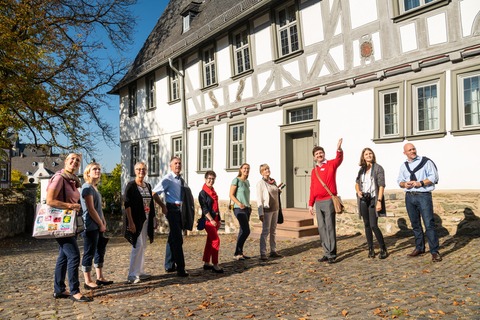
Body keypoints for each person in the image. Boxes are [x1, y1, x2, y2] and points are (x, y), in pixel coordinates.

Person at [46, 153, 91, 302]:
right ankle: (75, 291)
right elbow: (50, 200)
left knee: (63, 256)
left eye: (78, 160)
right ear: (65, 161)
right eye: (72, 159)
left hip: (68, 223)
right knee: (74, 256)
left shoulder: (72, 180)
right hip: (60, 223)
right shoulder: (59, 178)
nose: (75, 161)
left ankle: (59, 289)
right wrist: (71, 205)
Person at [397, 143, 442, 262]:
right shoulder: (403, 166)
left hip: (423, 195)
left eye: (413, 149)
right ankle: (419, 247)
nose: (412, 151)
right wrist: (404, 184)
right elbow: (399, 181)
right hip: (409, 196)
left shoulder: (426, 162)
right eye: (409, 150)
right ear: (405, 153)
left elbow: (434, 177)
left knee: (429, 224)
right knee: (415, 224)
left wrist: (420, 183)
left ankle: (434, 251)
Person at [152, 157, 189, 277]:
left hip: (180, 210)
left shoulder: (181, 180)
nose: (178, 165)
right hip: (172, 209)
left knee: (172, 237)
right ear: (171, 166)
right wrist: (163, 206)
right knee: (178, 239)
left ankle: (169, 265)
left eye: (179, 163)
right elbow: (154, 193)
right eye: (175, 163)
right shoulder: (167, 179)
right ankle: (181, 268)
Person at [308, 138, 343, 264]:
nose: (319, 155)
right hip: (318, 202)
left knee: (330, 227)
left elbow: (339, 159)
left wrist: (339, 149)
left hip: (328, 200)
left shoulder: (331, 164)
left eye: (320, 153)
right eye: (317, 154)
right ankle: (326, 252)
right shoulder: (314, 171)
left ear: (324, 154)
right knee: (321, 228)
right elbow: (312, 188)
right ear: (314, 157)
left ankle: (332, 253)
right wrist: (310, 204)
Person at [80, 162, 113, 290]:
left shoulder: (95, 188)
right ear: (88, 172)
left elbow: (99, 209)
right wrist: (100, 223)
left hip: (99, 225)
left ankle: (100, 277)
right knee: (89, 252)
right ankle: (87, 280)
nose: (98, 171)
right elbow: (91, 209)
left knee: (100, 250)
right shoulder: (86, 187)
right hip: (90, 226)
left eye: (99, 169)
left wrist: (103, 222)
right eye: (95, 169)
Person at [124, 162, 156, 283]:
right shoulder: (131, 186)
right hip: (136, 220)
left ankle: (140, 271)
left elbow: (151, 203)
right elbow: (127, 204)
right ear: (135, 171)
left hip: (146, 219)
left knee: (143, 245)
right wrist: (130, 222)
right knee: (137, 245)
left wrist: (153, 218)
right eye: (138, 169)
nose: (141, 171)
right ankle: (132, 275)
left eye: (143, 169)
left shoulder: (147, 185)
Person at [355, 148, 388, 259]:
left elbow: (381, 185)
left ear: (373, 155)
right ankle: (371, 249)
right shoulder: (362, 170)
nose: (368, 155)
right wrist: (358, 191)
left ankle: (383, 248)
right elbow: (356, 183)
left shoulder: (378, 168)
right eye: (366, 154)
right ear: (363, 157)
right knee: (367, 224)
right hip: (364, 199)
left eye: (370, 153)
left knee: (374, 225)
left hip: (374, 198)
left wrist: (379, 201)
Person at [198, 171, 224, 273]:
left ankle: (206, 262)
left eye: (213, 179)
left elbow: (216, 207)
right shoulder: (202, 193)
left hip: (215, 219)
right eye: (209, 178)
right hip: (208, 221)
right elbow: (204, 209)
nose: (211, 180)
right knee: (216, 240)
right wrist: (211, 220)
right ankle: (215, 264)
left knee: (210, 241)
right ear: (205, 179)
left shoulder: (213, 192)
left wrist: (219, 219)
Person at [256, 164, 282, 261]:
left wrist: (278, 191)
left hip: (275, 208)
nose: (267, 170)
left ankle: (273, 250)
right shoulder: (260, 183)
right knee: (265, 231)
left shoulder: (273, 181)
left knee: (273, 231)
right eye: (265, 169)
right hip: (267, 210)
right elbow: (259, 198)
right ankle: (263, 253)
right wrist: (260, 213)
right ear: (262, 172)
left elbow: (275, 192)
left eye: (268, 169)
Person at [230, 163, 252, 260]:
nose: (246, 170)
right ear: (240, 169)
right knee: (246, 231)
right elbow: (231, 195)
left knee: (242, 231)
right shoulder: (236, 180)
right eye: (244, 168)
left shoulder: (247, 182)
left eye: (248, 169)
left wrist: (248, 206)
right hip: (238, 209)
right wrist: (239, 204)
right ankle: (237, 253)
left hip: (247, 208)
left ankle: (238, 253)